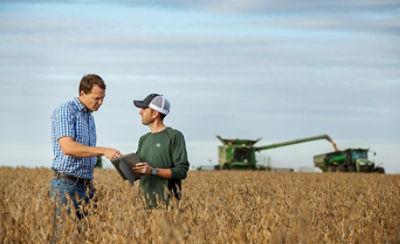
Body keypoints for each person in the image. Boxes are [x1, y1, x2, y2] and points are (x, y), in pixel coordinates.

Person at [50, 74, 122, 219]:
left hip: (86, 186)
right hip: (66, 186)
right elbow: (67, 147)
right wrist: (103, 150)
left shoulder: (89, 116)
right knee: (65, 238)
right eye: (97, 98)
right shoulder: (66, 110)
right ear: (82, 93)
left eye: (103, 98)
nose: (100, 102)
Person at [132, 93, 189, 208]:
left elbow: (182, 171)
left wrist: (153, 171)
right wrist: (126, 166)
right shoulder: (143, 139)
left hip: (167, 207)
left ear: (155, 113)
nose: (140, 112)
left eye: (144, 109)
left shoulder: (174, 136)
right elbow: (140, 171)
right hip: (142, 205)